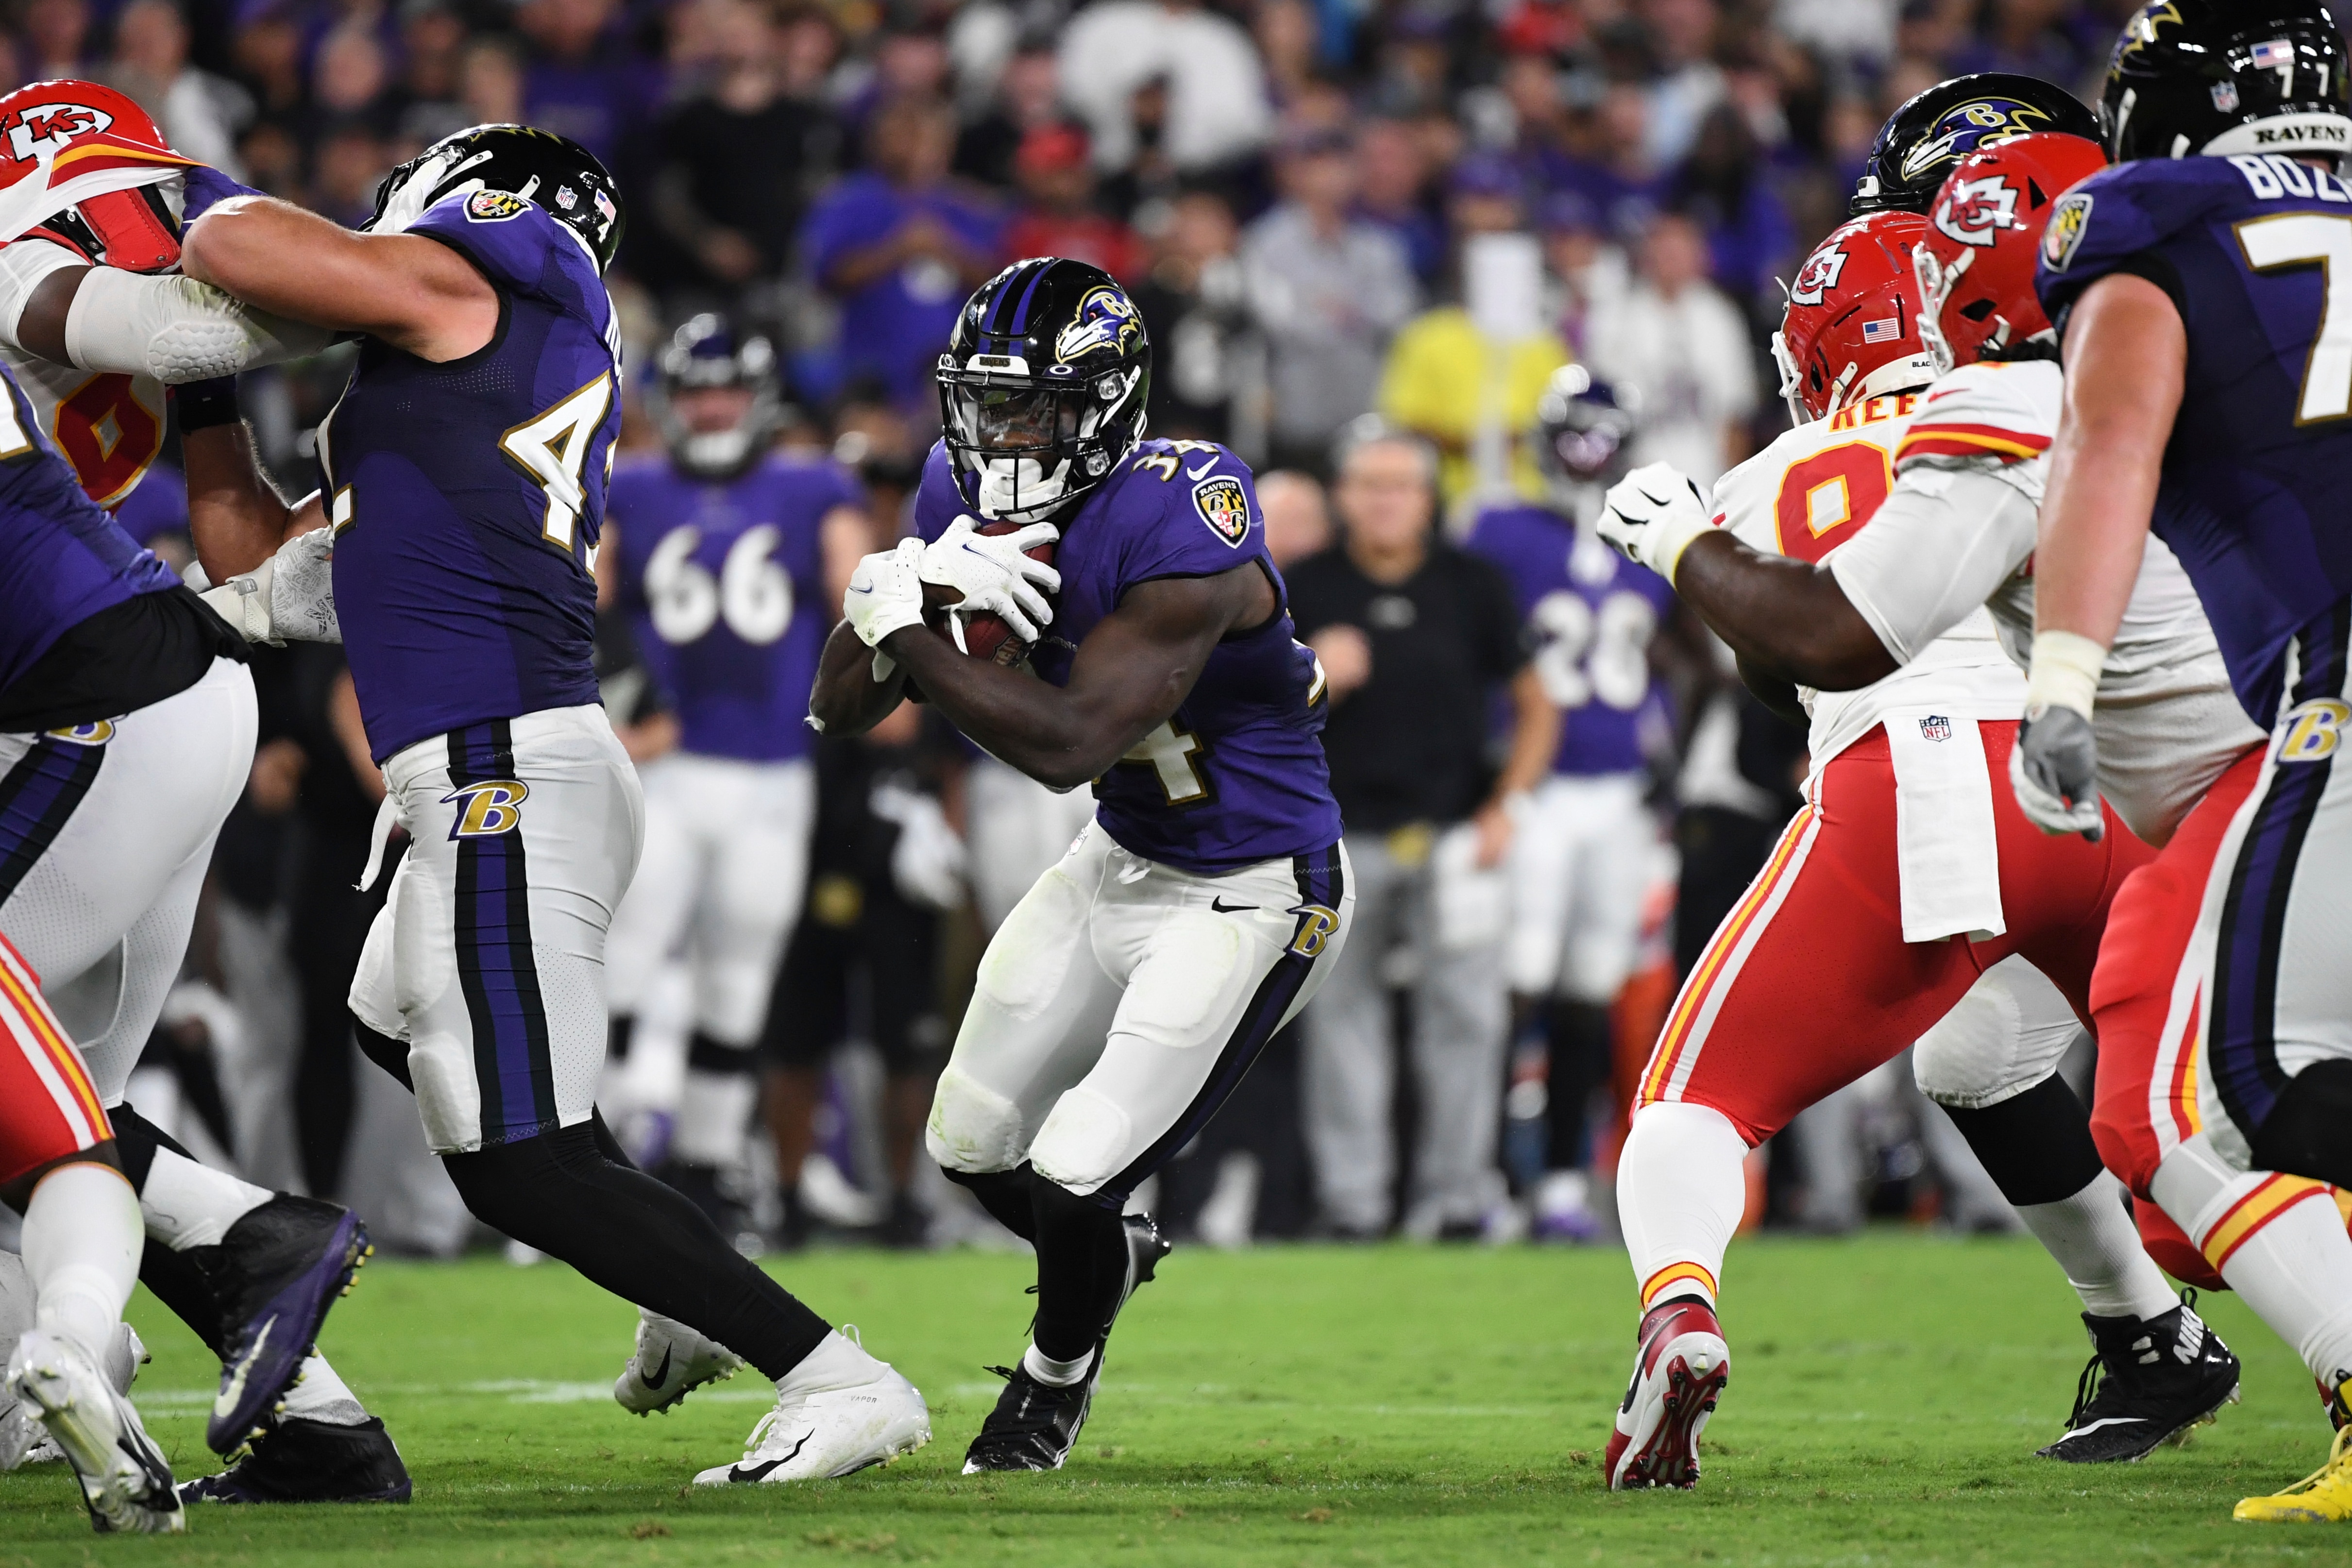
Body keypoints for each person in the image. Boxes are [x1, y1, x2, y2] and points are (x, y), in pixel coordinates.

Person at [169, 123, 930, 1486]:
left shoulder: (498, 277)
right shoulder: (439, 397)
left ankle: (837, 1373)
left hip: (501, 769)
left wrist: (159, 207)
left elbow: (235, 247)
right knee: (389, 1014)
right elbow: (248, 561)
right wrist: (190, 381)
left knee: (514, 1158)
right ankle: (676, 1269)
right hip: (491, 762)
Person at [1589, 202, 2236, 1489]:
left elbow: (1790, 671)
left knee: (1690, 1099)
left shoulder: (1769, 472)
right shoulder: (2050, 403)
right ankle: (2151, 1330)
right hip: (2097, 783)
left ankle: (1679, 1309)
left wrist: (1681, 548)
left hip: (1914, 788)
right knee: (2030, 1066)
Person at [808, 256, 1350, 1472]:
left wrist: (913, 633)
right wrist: (887, 597)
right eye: (982, 403)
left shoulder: (1184, 503)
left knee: (1071, 1168)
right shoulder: (958, 490)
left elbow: (1066, 744)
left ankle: (1051, 1387)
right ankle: (1107, 1248)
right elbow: (838, 709)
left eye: (1029, 407)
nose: (996, 436)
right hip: (1119, 856)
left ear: (1104, 402)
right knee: (969, 1141)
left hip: (1252, 884)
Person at [0, 78, 405, 1500]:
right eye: (134, 188)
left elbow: (182, 326)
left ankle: (252, 1244)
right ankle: (319, 1426)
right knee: (62, 1118)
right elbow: (198, 382)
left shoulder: (34, 264)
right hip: (144, 699)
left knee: (33, 1116)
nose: (162, 218)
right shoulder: (41, 288)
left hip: (111, 715)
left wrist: (404, 304)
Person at [2015, 0, 2352, 1521]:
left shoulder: (2157, 219)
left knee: (2223, 1096)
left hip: (2333, 675)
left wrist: (2062, 677)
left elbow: (2108, 443)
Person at [603, 314, 866, 1249]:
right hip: (664, 768)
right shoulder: (627, 486)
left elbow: (861, 597)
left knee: (738, 985)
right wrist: (628, 701)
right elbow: (579, 599)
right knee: (623, 966)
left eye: (725, 387)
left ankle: (708, 1170)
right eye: (695, 388)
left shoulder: (812, 485)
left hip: (773, 772)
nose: (710, 405)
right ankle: (584, 1169)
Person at [1286, 424, 1557, 1240]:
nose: (1384, 501)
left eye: (1400, 485)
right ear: (1341, 496)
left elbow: (1538, 706)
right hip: (1337, 836)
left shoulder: (1473, 582)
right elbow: (1242, 714)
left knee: (1468, 1016)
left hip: (1453, 830)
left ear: (1428, 498)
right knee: (1341, 1020)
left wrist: (1508, 803)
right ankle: (1354, 1202)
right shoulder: (1302, 587)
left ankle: (1457, 1196)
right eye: (1369, 484)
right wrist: (1310, 671)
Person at [1465, 367, 1675, 1240]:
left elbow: (1686, 655)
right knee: (1514, 980)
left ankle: (1558, 1176)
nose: (1587, 455)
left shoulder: (1648, 536)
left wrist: (1672, 754)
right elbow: (1475, 656)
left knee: (1591, 984)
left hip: (1620, 792)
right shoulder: (1501, 532)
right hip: (1533, 793)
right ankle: (1483, 1173)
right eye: (1575, 435)